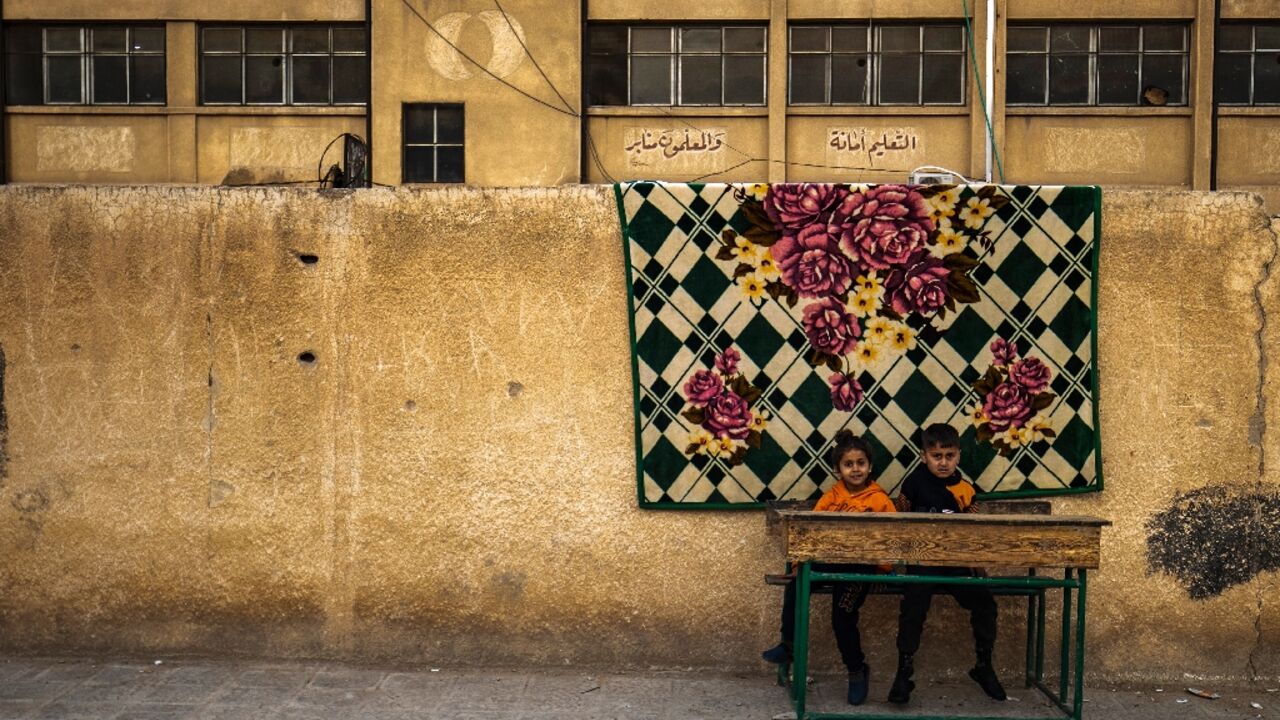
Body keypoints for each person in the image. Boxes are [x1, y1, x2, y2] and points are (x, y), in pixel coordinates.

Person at [761, 430, 896, 705]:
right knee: (796, 585)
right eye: (849, 464)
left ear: (870, 466)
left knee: (842, 616)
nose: (855, 469)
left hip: (861, 568)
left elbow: (891, 538)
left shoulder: (879, 500)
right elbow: (809, 534)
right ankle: (789, 645)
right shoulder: (830, 498)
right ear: (838, 469)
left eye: (861, 463)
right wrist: (800, 563)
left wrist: (883, 568)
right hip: (829, 559)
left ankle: (857, 670)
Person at [887, 423, 1007, 704]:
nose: (943, 462)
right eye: (936, 456)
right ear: (923, 456)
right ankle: (903, 673)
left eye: (949, 455)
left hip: (957, 563)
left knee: (985, 603)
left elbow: (973, 530)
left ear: (959, 456)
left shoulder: (965, 490)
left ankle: (983, 665)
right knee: (913, 607)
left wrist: (976, 565)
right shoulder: (913, 484)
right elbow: (899, 520)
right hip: (923, 563)